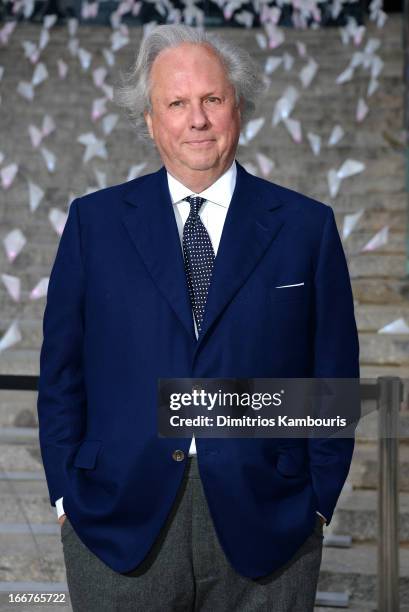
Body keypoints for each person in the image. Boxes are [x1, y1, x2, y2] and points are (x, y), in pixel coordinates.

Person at [37, 24, 360, 611]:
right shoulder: (93, 224)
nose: (197, 119)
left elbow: (332, 381)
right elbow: (62, 375)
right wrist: (66, 498)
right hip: (115, 523)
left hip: (270, 526)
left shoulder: (306, 228)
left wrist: (315, 503)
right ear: (150, 120)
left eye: (212, 99)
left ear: (238, 107)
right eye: (177, 103)